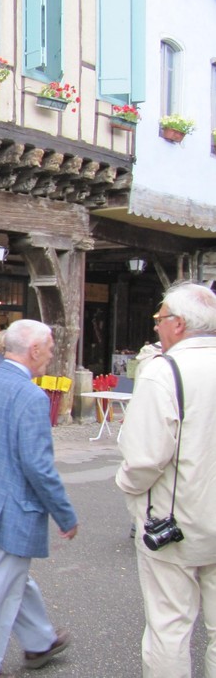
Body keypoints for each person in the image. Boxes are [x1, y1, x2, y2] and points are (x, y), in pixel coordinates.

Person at [0, 319, 78, 678]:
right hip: (13, 507)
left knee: (11, 577)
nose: (51, 356)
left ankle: (39, 641)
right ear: (34, 350)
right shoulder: (31, 395)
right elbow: (38, 466)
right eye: (49, 349)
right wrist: (65, 514)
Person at [116, 282, 216, 677]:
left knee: (169, 626)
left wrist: (126, 485)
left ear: (177, 324)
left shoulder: (164, 371)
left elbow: (145, 458)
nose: (156, 327)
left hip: (176, 521)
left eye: (159, 319)